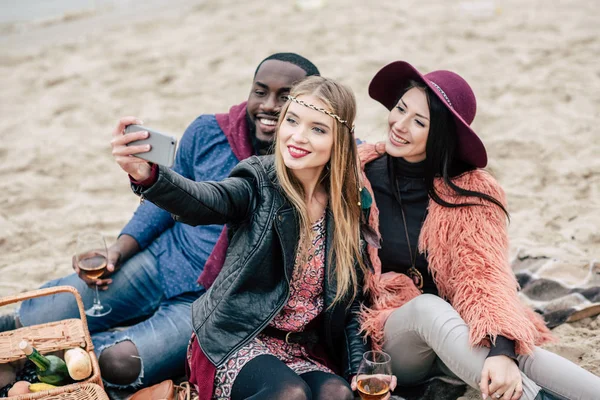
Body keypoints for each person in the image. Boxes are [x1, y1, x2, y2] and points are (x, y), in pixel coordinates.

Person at [7, 53, 320, 389]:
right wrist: (120, 250)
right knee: (37, 316)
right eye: (260, 92)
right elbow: (166, 199)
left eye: (285, 97)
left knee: (117, 363)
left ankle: (35, 374)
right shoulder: (208, 132)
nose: (269, 106)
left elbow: (351, 147)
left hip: (213, 302)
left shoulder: (313, 159)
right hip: (162, 261)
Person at [111, 76, 370, 400]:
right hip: (237, 336)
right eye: (292, 120)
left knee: (338, 395)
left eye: (318, 128)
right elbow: (205, 200)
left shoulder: (348, 208)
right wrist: (149, 175)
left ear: (340, 141)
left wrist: (359, 372)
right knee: (289, 395)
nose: (298, 136)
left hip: (302, 348)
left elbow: (351, 304)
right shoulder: (258, 180)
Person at [356, 61, 600, 400]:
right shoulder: (357, 173)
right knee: (427, 309)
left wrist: (502, 351)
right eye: (400, 109)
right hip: (391, 343)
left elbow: (485, 276)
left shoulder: (470, 192)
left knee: (521, 356)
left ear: (440, 135)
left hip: (458, 335)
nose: (399, 124)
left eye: (419, 122)